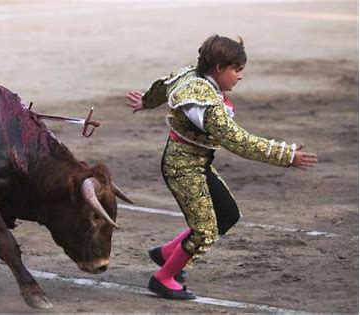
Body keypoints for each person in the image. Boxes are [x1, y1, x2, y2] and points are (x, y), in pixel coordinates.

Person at [125, 34, 318, 300]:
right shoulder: (206, 107)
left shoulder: (191, 75)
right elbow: (241, 143)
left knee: (226, 215)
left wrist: (146, 101)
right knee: (204, 230)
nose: (240, 76)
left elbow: (163, 86)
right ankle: (163, 278)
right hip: (182, 167)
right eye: (236, 70)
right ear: (219, 68)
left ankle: (167, 253)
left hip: (197, 162)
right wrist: (286, 156)